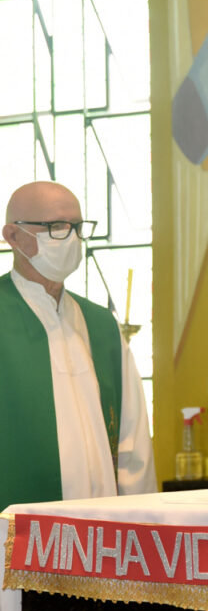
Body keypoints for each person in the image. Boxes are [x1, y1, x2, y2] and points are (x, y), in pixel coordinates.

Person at [0, 182, 156, 511]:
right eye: (56, 227)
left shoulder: (101, 325)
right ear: (13, 236)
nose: (71, 238)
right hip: (15, 537)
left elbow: (133, 441)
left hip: (101, 537)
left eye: (77, 227)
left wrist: (140, 523)